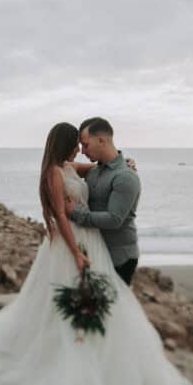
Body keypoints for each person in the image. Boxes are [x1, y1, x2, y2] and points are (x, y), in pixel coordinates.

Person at [0, 122, 193, 385]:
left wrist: (127, 165)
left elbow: (106, 171)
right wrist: (76, 253)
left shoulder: (73, 167)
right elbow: (60, 215)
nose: (80, 148)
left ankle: (102, 362)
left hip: (93, 242)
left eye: (84, 143)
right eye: (76, 143)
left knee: (101, 305)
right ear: (65, 144)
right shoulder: (54, 173)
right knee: (74, 303)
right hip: (72, 245)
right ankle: (74, 362)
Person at [68, 117, 141, 285]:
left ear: (101, 140)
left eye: (85, 145)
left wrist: (74, 212)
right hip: (97, 251)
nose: (83, 152)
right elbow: (66, 167)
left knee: (114, 309)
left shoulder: (125, 176)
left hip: (119, 258)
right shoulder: (94, 171)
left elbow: (114, 219)